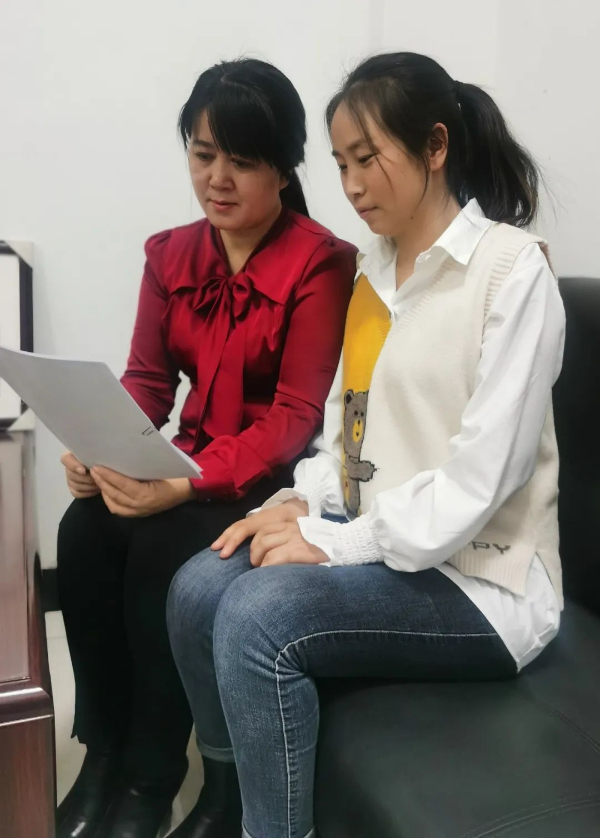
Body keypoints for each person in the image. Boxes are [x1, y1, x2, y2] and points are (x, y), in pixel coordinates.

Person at [167, 52, 565, 838]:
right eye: (341, 163)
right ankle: (229, 799)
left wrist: (337, 543)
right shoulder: (372, 274)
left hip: (483, 580)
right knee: (197, 589)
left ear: (436, 146)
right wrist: (295, 502)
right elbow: (346, 437)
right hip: (387, 545)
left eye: (367, 159)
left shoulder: (511, 274)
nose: (350, 184)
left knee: (256, 617)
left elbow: (483, 478)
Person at [55, 58, 356, 838]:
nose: (217, 179)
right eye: (202, 153)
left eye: (242, 161)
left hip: (268, 483)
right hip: (186, 463)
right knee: (83, 531)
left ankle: (151, 777)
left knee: (162, 551)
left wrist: (184, 486)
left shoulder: (321, 262)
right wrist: (98, 445)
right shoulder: (171, 253)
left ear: (284, 169)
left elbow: (294, 417)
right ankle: (104, 753)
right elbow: (148, 383)